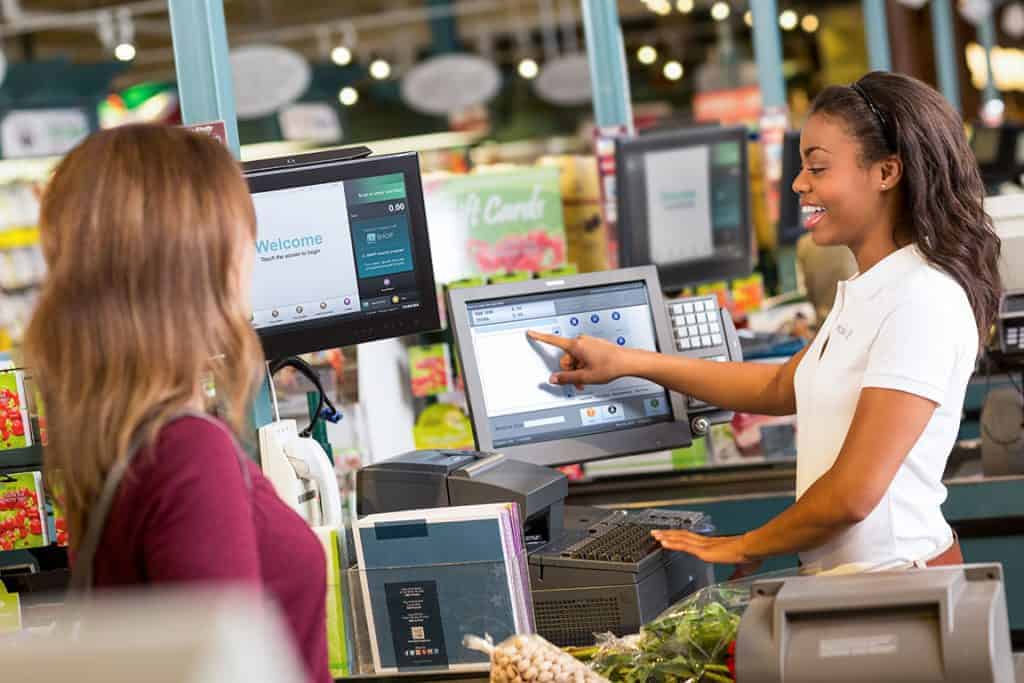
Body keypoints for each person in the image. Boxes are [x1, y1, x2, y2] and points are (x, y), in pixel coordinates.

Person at [530, 72, 1002, 574]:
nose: (800, 183)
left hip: (904, 585)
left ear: (886, 172)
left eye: (817, 167)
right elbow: (781, 385)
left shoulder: (920, 300)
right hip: (858, 581)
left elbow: (852, 495)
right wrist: (627, 362)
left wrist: (745, 545)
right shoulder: (874, 288)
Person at [24, 126, 330, 683]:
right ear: (194, 263)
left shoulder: (120, 437)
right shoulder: (189, 453)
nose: (254, 254)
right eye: (242, 233)